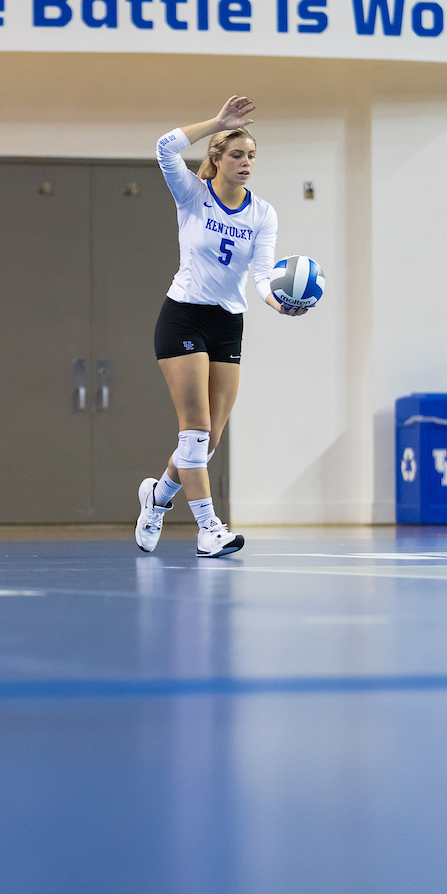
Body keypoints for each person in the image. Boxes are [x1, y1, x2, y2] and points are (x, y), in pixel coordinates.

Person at [135, 95, 308, 558]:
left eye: (251, 155)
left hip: (229, 322)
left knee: (207, 442)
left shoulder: (263, 213)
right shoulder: (192, 194)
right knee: (193, 430)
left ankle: (156, 500)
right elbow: (164, 148)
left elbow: (262, 272)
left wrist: (277, 301)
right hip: (184, 315)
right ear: (216, 158)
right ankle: (209, 529)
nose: (246, 162)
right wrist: (218, 122)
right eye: (237, 154)